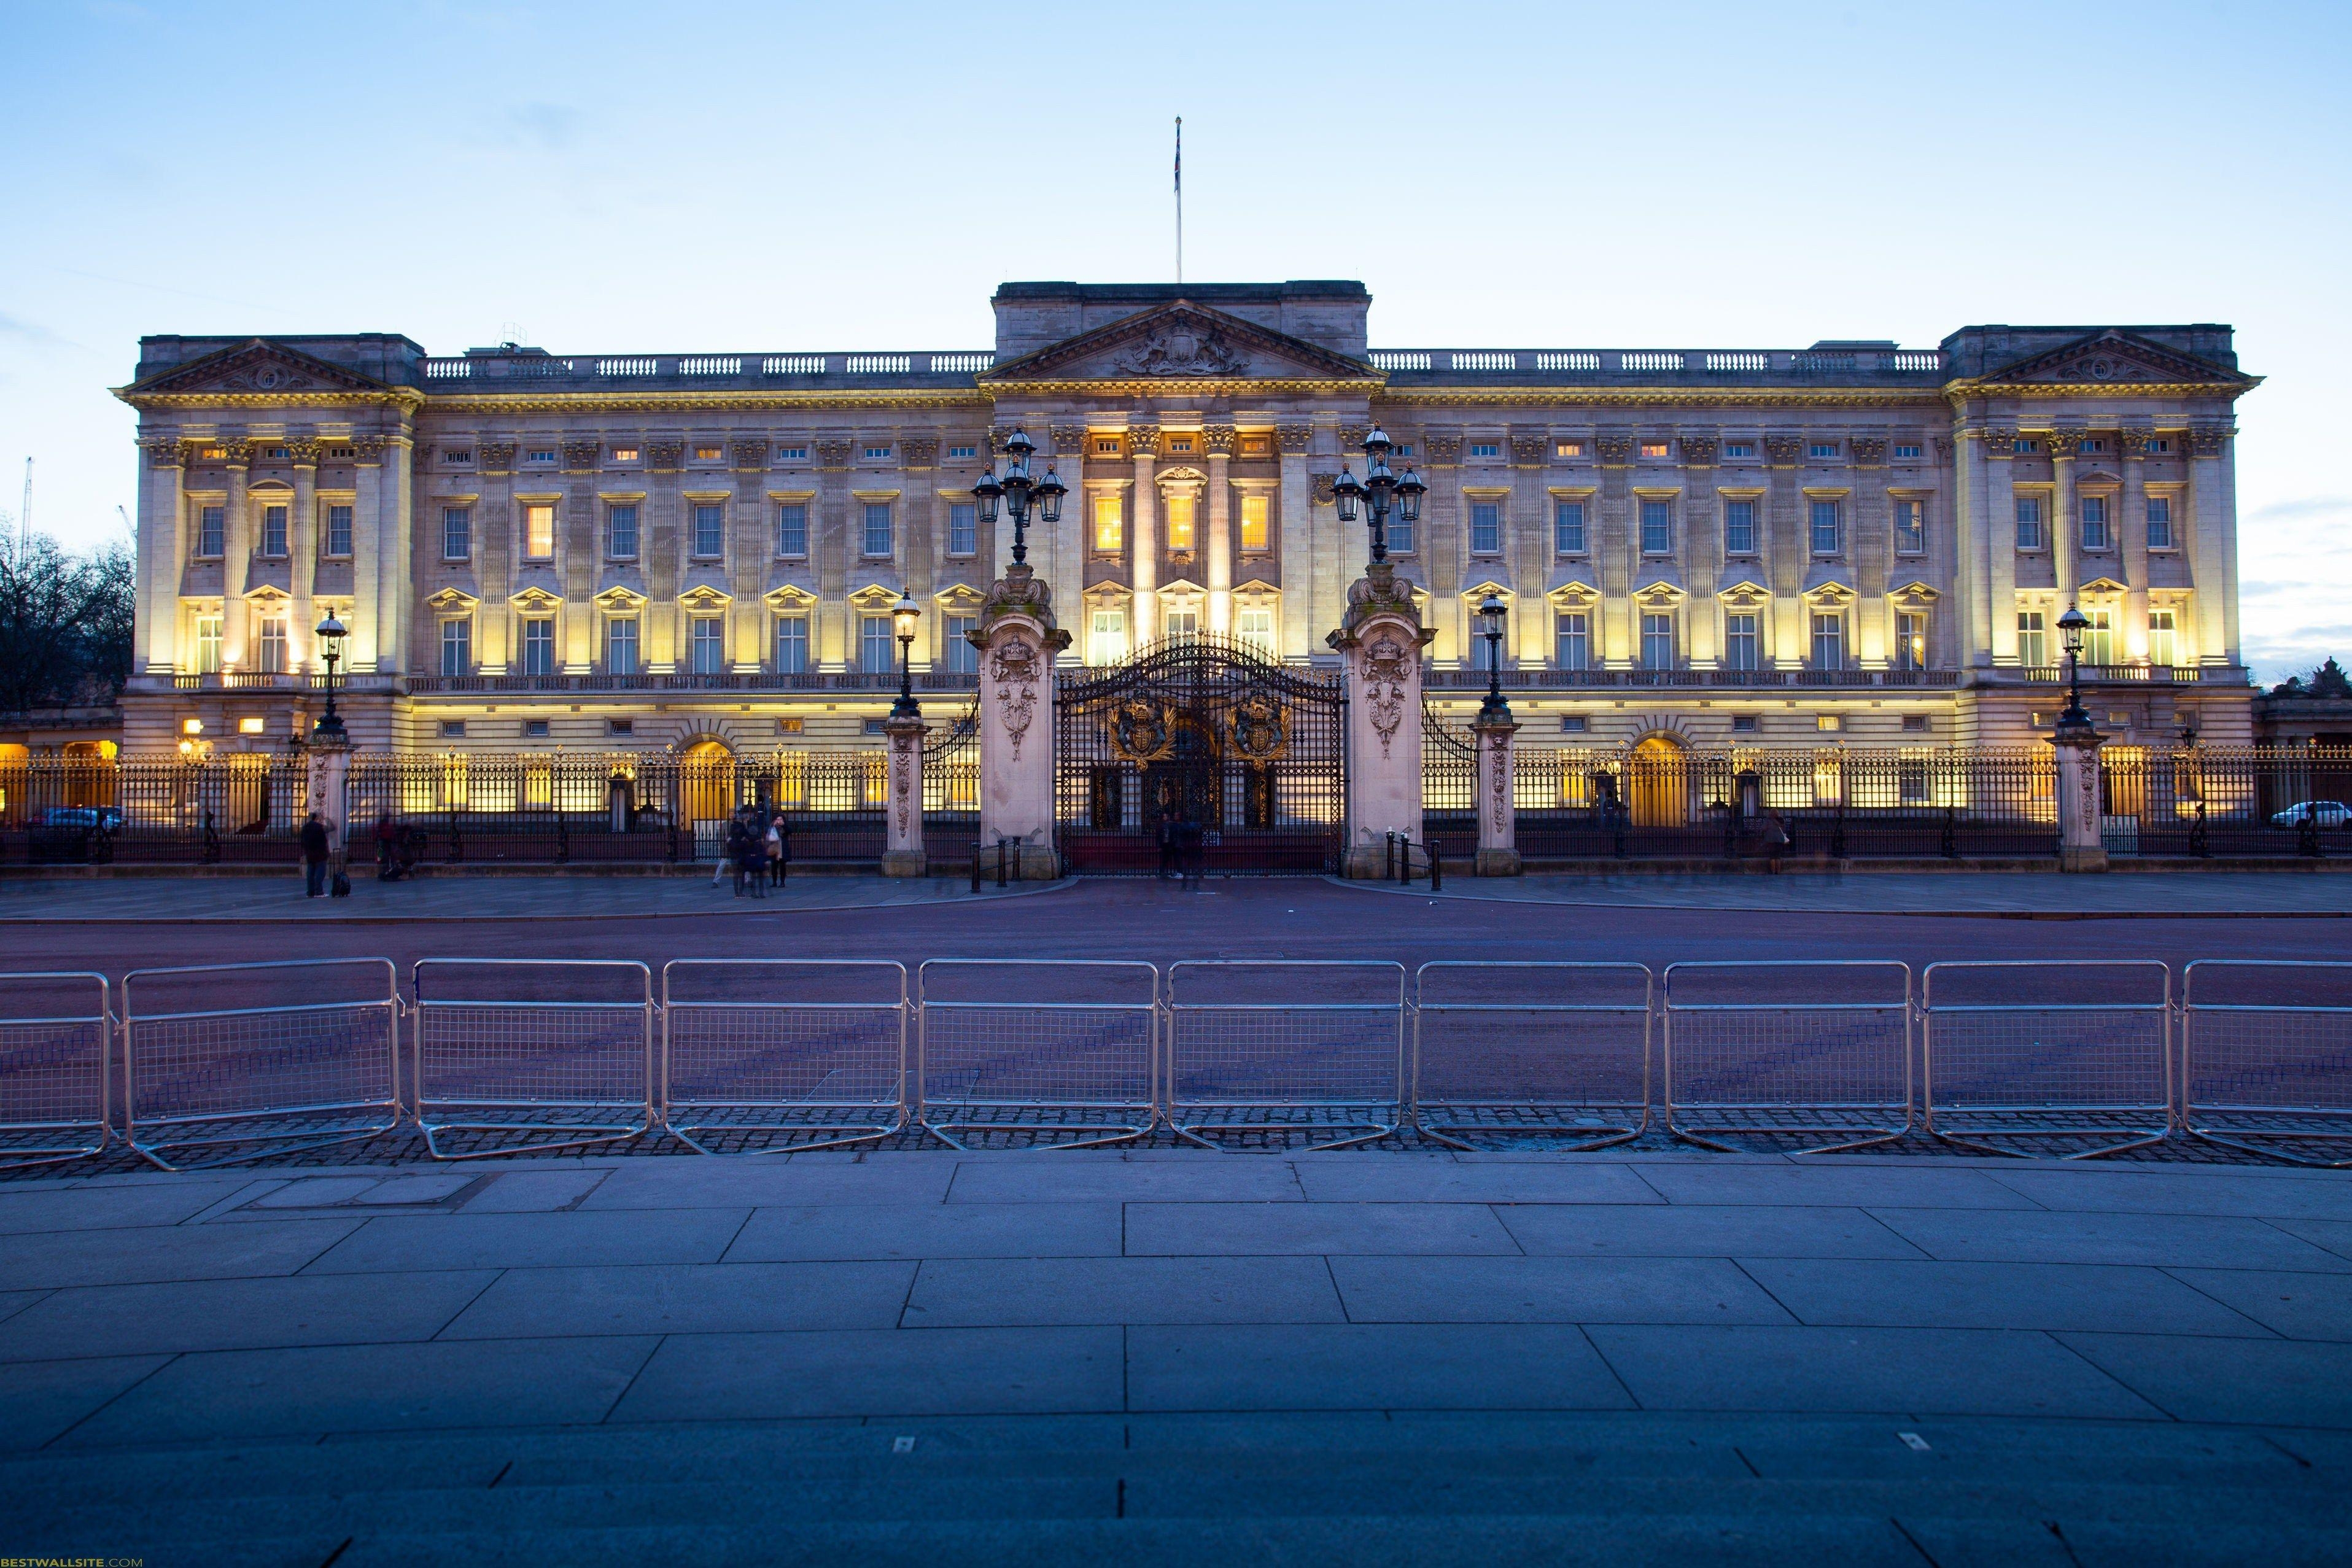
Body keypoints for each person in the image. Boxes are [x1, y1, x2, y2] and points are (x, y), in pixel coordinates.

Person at [299, 810, 331, 898]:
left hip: (310, 853)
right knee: (320, 873)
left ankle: (310, 892)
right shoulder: (319, 827)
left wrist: (307, 850)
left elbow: (302, 840)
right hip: (320, 853)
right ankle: (319, 891)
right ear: (316, 818)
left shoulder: (305, 828)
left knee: (310, 874)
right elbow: (324, 840)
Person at [768, 811, 791, 887]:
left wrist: (784, 825)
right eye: (778, 819)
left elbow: (790, 831)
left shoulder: (785, 827)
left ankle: (782, 882)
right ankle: (774, 882)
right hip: (775, 847)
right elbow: (769, 834)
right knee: (774, 866)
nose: (779, 821)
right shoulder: (773, 826)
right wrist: (773, 826)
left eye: (781, 819)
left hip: (782, 847)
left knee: (782, 866)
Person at [373, 811, 398, 880]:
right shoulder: (384, 823)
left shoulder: (386, 823)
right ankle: (384, 866)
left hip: (386, 840)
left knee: (384, 854)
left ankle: (384, 865)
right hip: (385, 840)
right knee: (383, 853)